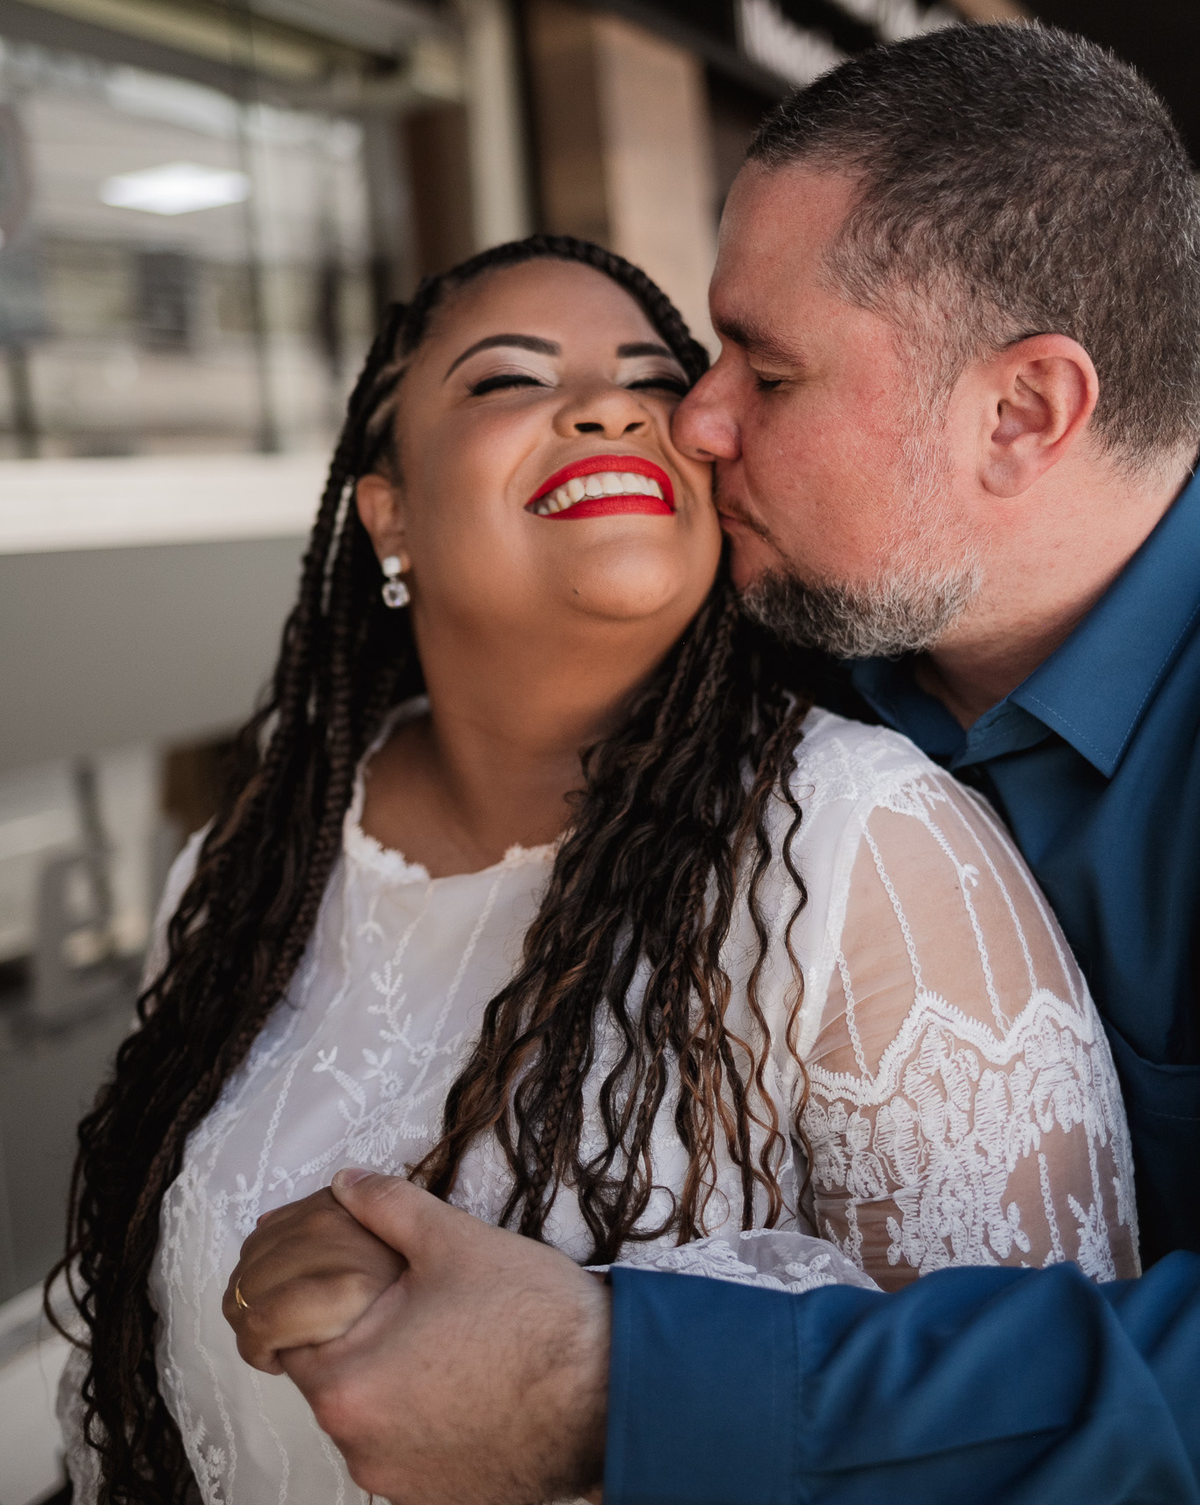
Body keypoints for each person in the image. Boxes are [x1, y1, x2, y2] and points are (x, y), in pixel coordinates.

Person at [225, 23, 1200, 1505]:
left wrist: (610, 1383)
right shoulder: (785, 651)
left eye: (768, 370)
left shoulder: (856, 798)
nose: (696, 419)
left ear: (1021, 414)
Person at [55, 223, 1131, 1505]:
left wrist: (588, 1356)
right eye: (510, 378)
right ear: (387, 516)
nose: (612, 407)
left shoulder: (871, 848)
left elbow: (1031, 1438)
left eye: (657, 381)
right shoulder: (256, 855)